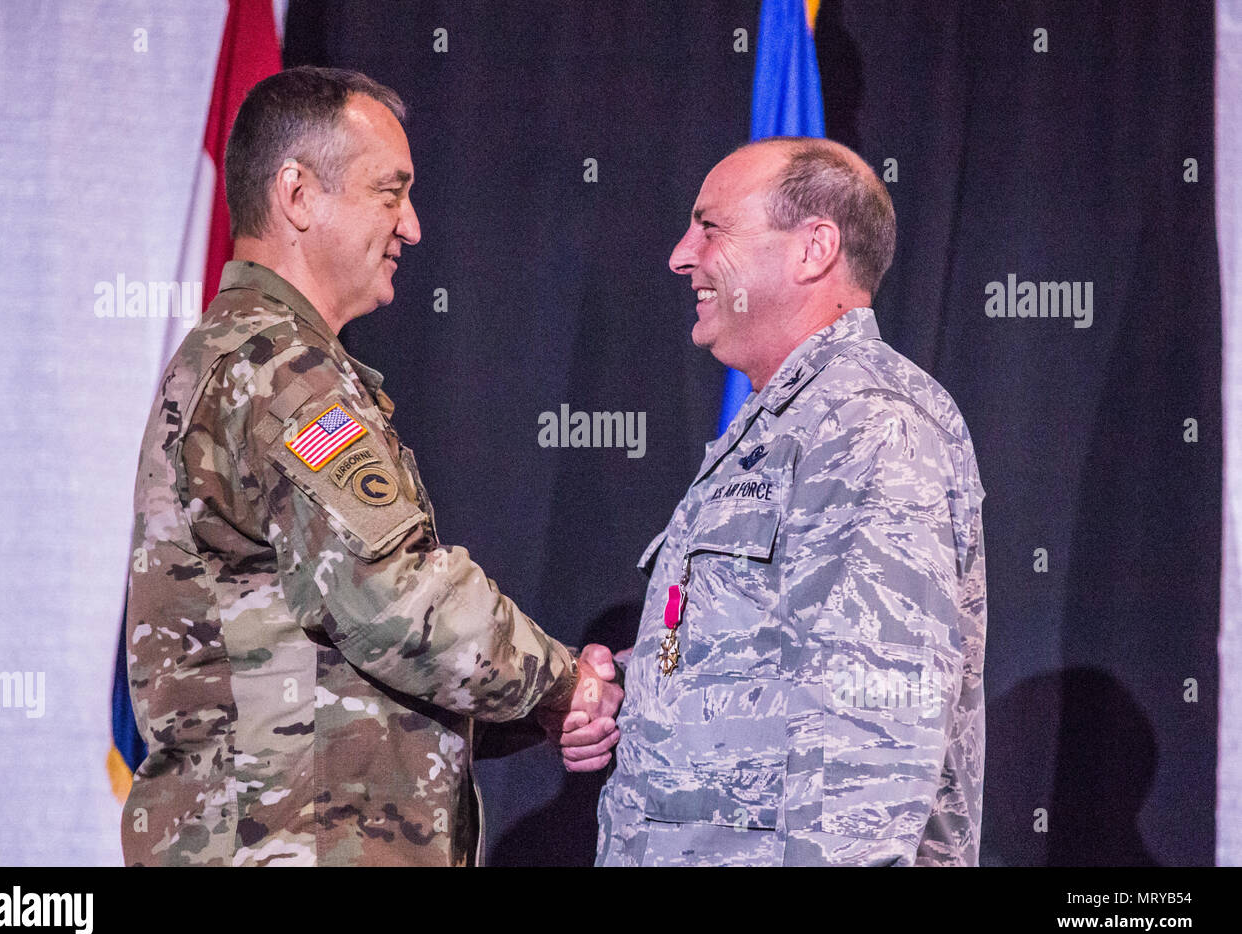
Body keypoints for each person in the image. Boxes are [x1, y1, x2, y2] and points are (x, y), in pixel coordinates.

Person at [122, 66, 621, 867]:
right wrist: (565, 684)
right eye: (390, 192)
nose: (413, 225)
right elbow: (396, 604)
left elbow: (335, 656)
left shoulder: (255, 356)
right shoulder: (281, 369)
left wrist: (540, 710)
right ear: (297, 195)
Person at [595, 137, 986, 866]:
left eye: (711, 227)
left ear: (813, 250)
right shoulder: (783, 422)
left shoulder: (871, 422)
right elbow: (757, 656)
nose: (683, 256)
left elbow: (870, 736)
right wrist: (628, 681)